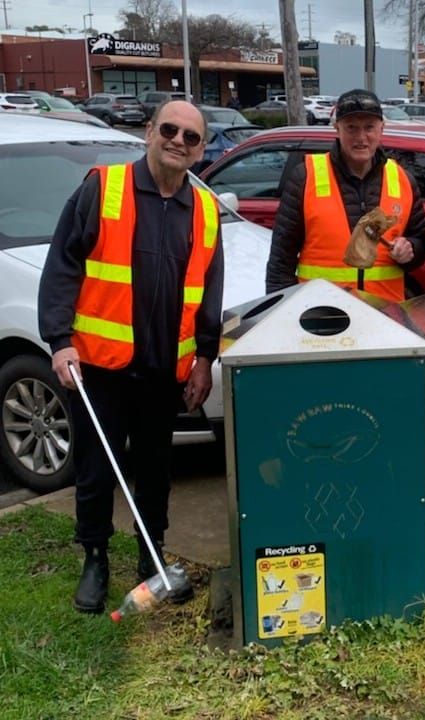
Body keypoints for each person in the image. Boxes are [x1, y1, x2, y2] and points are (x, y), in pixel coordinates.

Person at [38, 100, 223, 613]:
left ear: (200, 150)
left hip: (164, 370)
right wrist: (59, 339)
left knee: (156, 468)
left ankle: (151, 554)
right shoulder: (103, 189)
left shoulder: (204, 210)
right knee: (97, 468)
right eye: (170, 130)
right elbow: (63, 265)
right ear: (149, 132)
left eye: (191, 137)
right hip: (100, 367)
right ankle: (95, 557)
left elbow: (209, 290)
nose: (178, 142)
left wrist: (204, 358)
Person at [265, 88, 425, 301]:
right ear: (337, 129)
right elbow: (280, 261)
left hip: (385, 311)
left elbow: (421, 241)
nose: (361, 137)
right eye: (351, 128)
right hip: (323, 311)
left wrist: (411, 250)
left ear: (382, 129)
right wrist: (281, 310)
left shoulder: (402, 179)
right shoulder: (305, 177)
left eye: (369, 127)